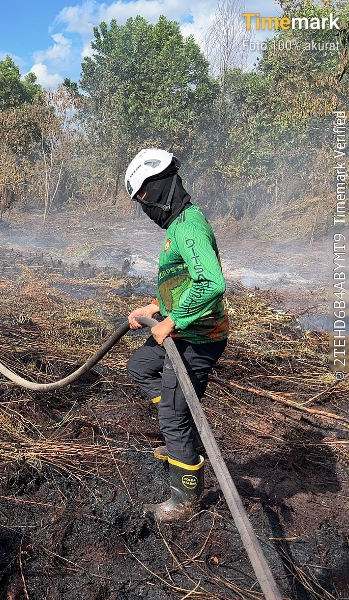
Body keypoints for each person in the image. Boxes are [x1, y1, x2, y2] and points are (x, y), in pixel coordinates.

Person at [124, 149, 229, 522]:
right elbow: (182, 280)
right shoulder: (179, 226)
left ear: (163, 187)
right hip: (182, 330)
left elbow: (211, 282)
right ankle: (178, 429)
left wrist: (174, 320)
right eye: (140, 203)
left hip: (197, 338)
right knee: (139, 366)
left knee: (172, 412)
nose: (146, 208)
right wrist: (157, 308)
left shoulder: (187, 226)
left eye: (145, 198)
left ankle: (184, 502)